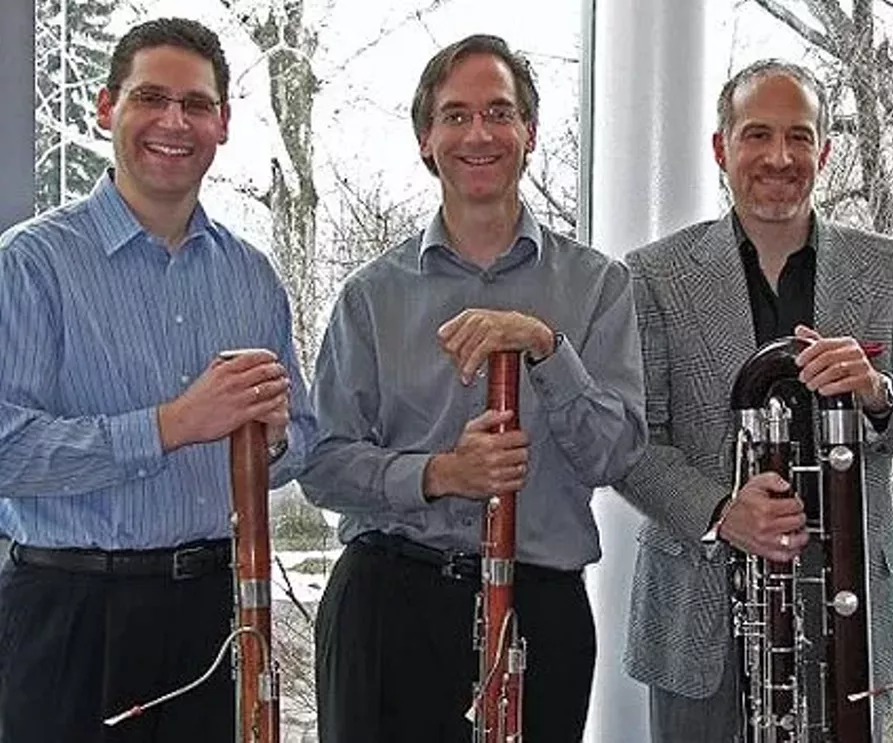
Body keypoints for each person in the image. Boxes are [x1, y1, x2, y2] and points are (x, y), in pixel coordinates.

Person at [299, 33, 646, 743]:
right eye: (455, 116)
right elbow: (322, 464)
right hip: (388, 608)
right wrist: (439, 474)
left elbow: (615, 454)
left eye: (499, 112)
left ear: (530, 132)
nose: (478, 134)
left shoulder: (598, 287)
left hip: (538, 611)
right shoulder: (370, 296)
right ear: (426, 141)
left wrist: (546, 347)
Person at [0, 17, 315, 743]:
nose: (174, 122)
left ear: (222, 123)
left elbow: (301, 441)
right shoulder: (30, 264)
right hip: (68, 614)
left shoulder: (253, 277)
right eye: (150, 98)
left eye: (196, 104)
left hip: (212, 613)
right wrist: (172, 424)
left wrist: (271, 440)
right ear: (106, 108)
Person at [613, 59, 893, 742]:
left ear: (825, 150)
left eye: (799, 137)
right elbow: (630, 439)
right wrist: (721, 513)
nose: (780, 157)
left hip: (848, 609)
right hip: (699, 611)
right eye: (757, 134)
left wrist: (877, 392)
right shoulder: (651, 274)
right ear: (721, 148)